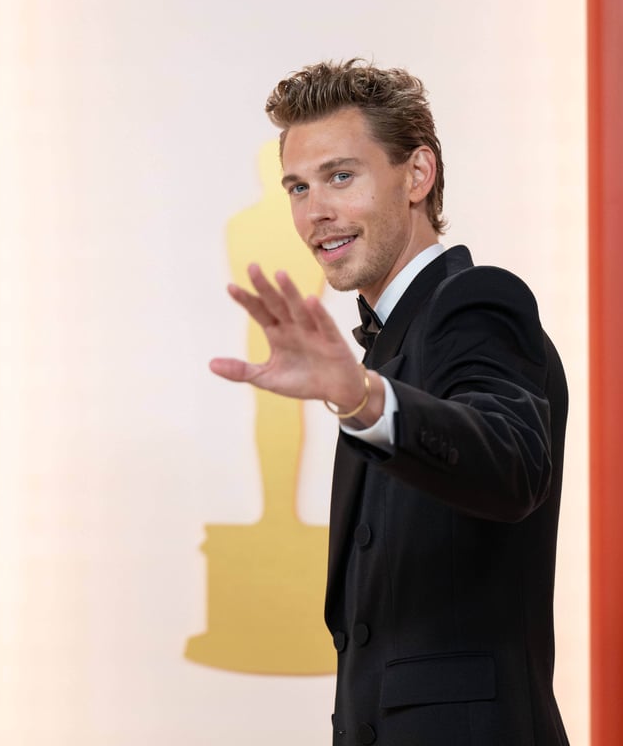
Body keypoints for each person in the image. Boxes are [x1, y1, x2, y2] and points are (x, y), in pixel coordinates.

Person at [210, 60, 570, 745]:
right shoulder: (382, 347)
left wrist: (364, 399)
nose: (315, 211)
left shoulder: (476, 301)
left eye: (341, 176)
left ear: (417, 175)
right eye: (298, 186)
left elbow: (513, 461)